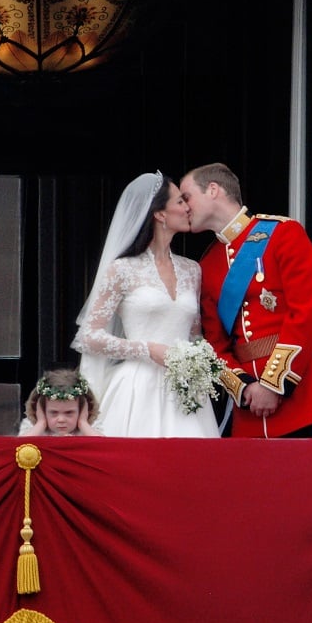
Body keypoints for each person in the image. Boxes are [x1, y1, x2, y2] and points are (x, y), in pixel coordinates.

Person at [180, 163, 312, 438]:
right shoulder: (208, 263)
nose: (184, 207)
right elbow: (214, 343)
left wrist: (273, 384)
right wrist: (245, 387)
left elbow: (307, 313)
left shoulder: (283, 234)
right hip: (249, 411)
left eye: (187, 197)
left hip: (301, 398)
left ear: (213, 190)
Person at [71, 171, 219, 438]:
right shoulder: (122, 270)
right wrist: (148, 349)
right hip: (137, 388)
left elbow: (195, 335)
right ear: (160, 214)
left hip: (185, 389)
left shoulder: (192, 270)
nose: (188, 207)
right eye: (180, 202)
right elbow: (89, 336)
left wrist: (199, 361)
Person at [18, 365, 103, 437]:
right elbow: (17, 447)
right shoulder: (33, 428)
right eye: (54, 412)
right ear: (42, 411)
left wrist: (83, 424)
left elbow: (105, 447)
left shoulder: (90, 428)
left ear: (82, 411)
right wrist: (41, 424)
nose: (61, 420)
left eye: (69, 412)